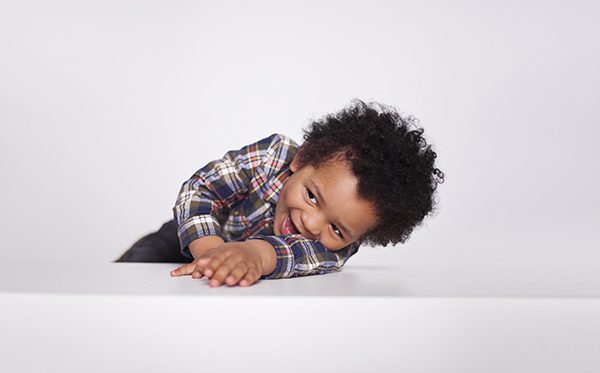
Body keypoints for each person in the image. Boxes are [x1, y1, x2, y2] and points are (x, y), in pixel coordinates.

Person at [114, 99, 445, 287]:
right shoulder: (273, 155)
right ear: (302, 159)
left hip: (250, 262)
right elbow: (201, 189)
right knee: (133, 268)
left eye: (336, 228)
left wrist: (254, 256)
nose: (312, 225)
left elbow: (298, 255)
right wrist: (211, 250)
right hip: (187, 238)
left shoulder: (339, 249)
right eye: (313, 196)